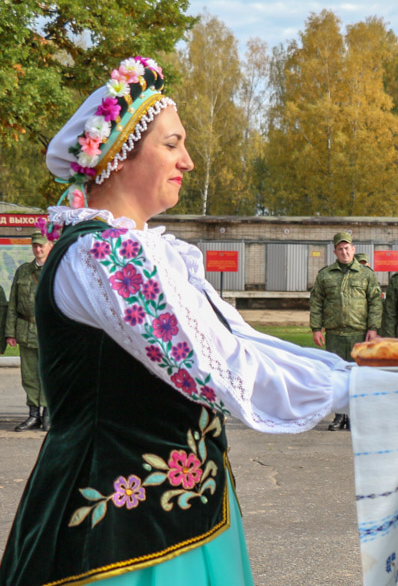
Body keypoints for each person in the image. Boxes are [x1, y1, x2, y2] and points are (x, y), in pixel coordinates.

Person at [0, 57, 354, 586]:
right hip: (118, 539)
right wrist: (364, 390)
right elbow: (220, 367)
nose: (187, 160)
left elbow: (238, 342)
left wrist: (362, 373)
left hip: (185, 517)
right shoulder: (103, 255)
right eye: (172, 144)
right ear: (117, 156)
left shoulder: (140, 251)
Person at [310, 232, 381, 431]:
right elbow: (316, 302)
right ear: (335, 252)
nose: (344, 252)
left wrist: (373, 328)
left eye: (347, 248)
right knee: (336, 377)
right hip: (334, 334)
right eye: (340, 249)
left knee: (357, 376)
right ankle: (339, 416)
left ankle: (354, 415)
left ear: (353, 249)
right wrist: (316, 328)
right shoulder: (325, 275)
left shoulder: (366, 274)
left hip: (359, 333)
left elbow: (375, 302)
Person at [5, 231, 53, 432]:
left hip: (50, 333)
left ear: (50, 246)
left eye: (41, 245)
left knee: (48, 375)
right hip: (25, 330)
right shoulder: (23, 271)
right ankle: (34, 415)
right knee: (29, 375)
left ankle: (48, 414)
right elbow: (13, 304)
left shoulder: (57, 269)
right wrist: (10, 332)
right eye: (35, 245)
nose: (38, 249)